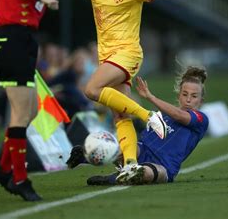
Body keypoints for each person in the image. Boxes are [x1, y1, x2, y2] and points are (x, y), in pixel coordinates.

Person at [43, 0, 210, 179]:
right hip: (107, 58)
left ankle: (149, 116)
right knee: (120, 114)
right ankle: (130, 163)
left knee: (91, 89)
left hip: (128, 54)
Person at [0, 0, 59, 202]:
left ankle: (3, 168)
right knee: (20, 113)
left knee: (28, 112)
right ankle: (18, 178)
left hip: (18, 41)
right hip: (15, 42)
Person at [66, 66, 209, 185]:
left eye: (194, 96)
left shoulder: (201, 119)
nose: (188, 99)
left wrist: (151, 97)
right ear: (179, 96)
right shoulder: (163, 115)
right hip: (141, 150)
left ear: (201, 101)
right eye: (185, 94)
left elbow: (179, 115)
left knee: (147, 173)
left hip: (163, 165)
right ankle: (84, 156)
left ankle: (113, 178)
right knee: (119, 148)